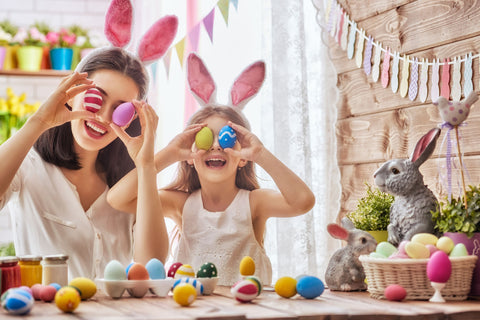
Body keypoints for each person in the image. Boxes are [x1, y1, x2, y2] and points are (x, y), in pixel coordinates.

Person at [108, 103, 316, 285]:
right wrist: (167, 155)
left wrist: (260, 155)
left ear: (243, 158)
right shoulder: (181, 205)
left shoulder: (254, 203)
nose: (216, 144)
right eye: (205, 138)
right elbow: (117, 198)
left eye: (226, 138)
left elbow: (303, 201)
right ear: (190, 156)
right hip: (193, 311)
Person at [0, 47, 151, 280]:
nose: (102, 117)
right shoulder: (28, 166)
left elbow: (152, 264)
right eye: (96, 98)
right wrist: (39, 121)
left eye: (120, 110)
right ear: (72, 91)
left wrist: (149, 164)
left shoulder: (130, 182)